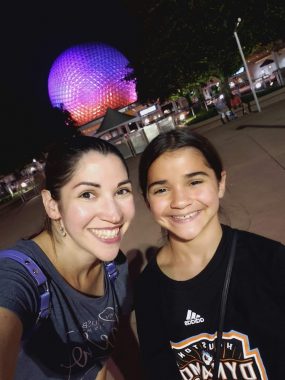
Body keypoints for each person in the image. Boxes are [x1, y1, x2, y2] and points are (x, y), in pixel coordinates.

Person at [134, 128, 285, 379]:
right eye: (161, 189)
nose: (180, 201)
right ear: (147, 200)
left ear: (220, 183)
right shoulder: (149, 288)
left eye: (194, 182)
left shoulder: (269, 261)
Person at [0, 135, 135, 380]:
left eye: (121, 191)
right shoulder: (17, 277)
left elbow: (101, 358)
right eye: (87, 194)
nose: (114, 214)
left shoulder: (115, 267)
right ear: (52, 205)